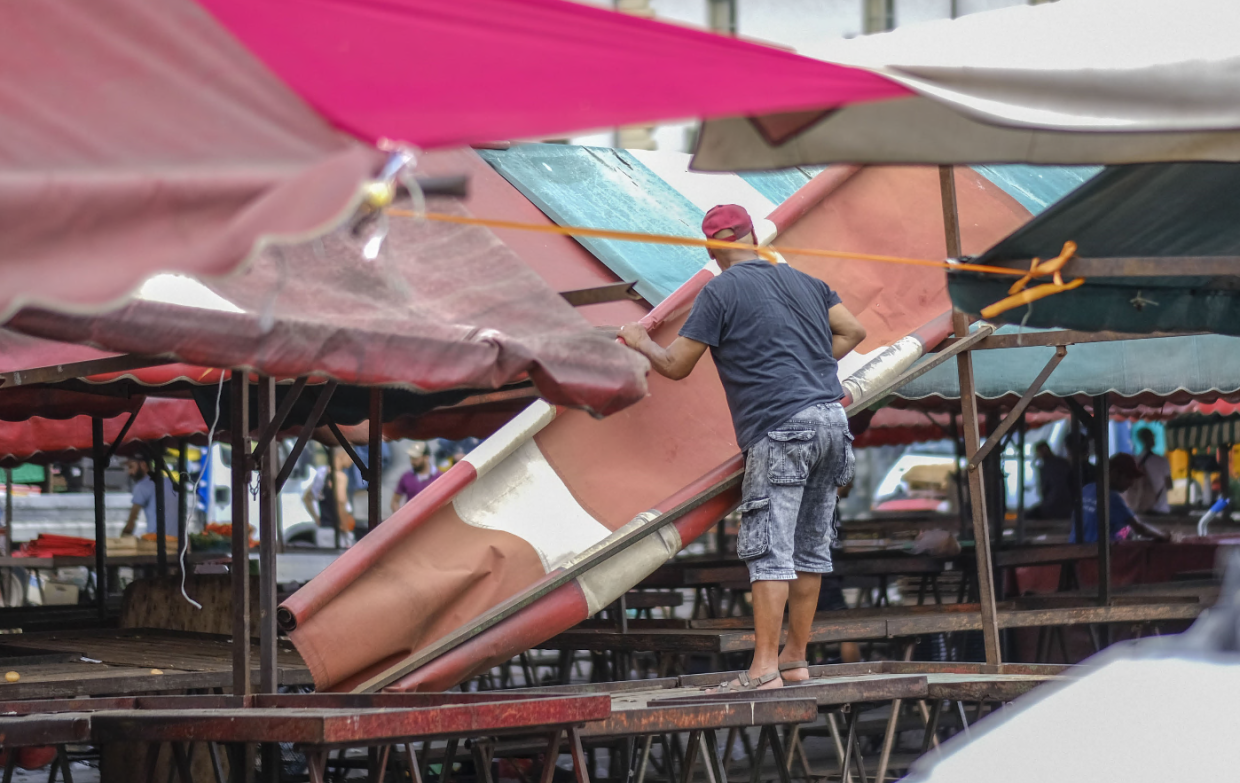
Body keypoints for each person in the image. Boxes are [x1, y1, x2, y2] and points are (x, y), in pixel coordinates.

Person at [618, 204, 867, 691]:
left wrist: (637, 340)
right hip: (833, 421)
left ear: (712, 249)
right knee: (810, 549)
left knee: (770, 551)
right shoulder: (807, 282)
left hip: (781, 427)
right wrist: (807, 364)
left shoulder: (720, 290)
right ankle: (795, 661)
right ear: (755, 235)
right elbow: (854, 331)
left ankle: (762, 670)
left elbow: (674, 365)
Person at [1070, 453, 1169, 543]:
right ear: (1115, 474)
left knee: (1126, 530)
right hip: (1094, 554)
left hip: (1075, 547)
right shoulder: (1112, 498)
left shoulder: (1087, 489)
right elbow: (1140, 529)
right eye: (1129, 478)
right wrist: (1163, 536)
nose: (1131, 484)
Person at [122, 457, 178, 537]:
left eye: (131, 467)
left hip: (156, 540)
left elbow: (132, 520)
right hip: (178, 540)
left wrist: (123, 537)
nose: (129, 472)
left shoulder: (142, 485)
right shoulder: (170, 482)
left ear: (143, 465)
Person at [1127, 428, 1172, 514]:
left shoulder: (1135, 461)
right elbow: (1169, 485)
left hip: (1140, 508)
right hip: (1161, 509)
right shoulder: (1162, 461)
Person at [1028, 441, 1073, 519]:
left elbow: (1044, 489)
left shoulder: (1045, 467)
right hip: (1068, 506)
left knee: (1028, 516)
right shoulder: (1064, 463)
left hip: (1051, 506)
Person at [391, 442, 438, 513]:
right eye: (411, 458)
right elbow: (395, 501)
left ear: (426, 458)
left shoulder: (440, 477)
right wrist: (401, 517)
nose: (412, 461)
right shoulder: (406, 477)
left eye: (416, 458)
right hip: (411, 519)